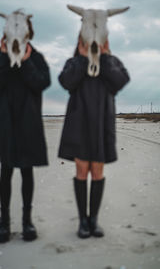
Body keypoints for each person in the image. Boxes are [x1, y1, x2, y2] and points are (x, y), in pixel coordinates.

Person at [58, 35, 130, 239]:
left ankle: (93, 220)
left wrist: (105, 57)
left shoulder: (112, 62)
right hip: (78, 121)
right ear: (80, 41)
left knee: (97, 171)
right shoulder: (73, 62)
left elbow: (120, 81)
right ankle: (82, 221)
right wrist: (82, 58)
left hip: (102, 123)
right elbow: (66, 82)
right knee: (82, 169)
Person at [0, 36, 50, 243]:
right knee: (6, 168)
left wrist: (26, 60)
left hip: (28, 120)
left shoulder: (36, 57)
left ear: (27, 34)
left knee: (26, 169)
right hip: (5, 120)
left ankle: (27, 221)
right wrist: (3, 56)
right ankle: (4, 223)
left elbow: (41, 83)